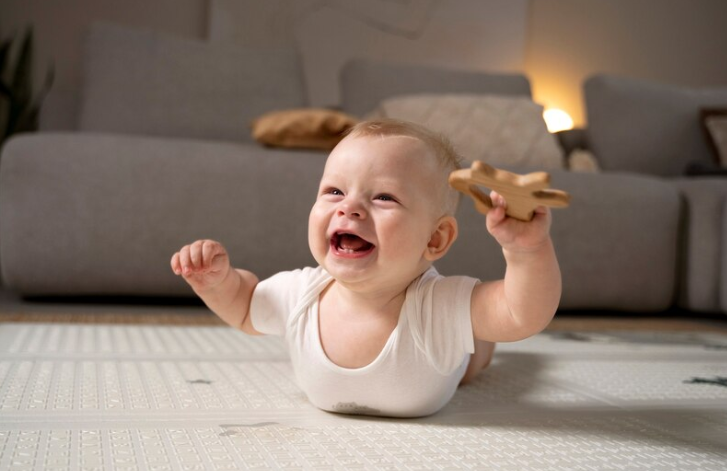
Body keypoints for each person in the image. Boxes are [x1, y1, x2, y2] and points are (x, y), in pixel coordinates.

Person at [171, 119, 561, 417]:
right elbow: (245, 304)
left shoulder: (440, 307)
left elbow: (520, 312)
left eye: (384, 197)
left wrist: (527, 251)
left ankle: (479, 345)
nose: (349, 207)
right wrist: (217, 282)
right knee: (467, 334)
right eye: (334, 191)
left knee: (473, 357)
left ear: (436, 239)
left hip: (442, 352)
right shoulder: (301, 294)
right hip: (435, 341)